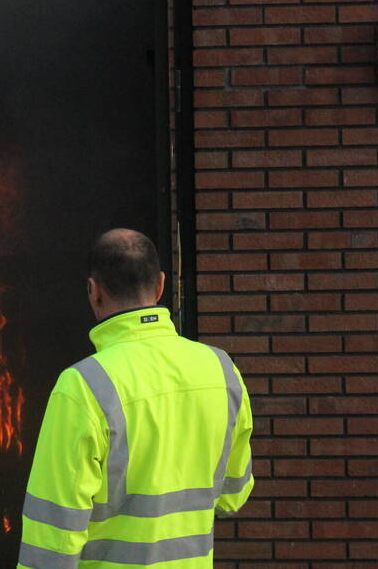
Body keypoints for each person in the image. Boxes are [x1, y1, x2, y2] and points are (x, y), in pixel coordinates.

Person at [18, 228, 253, 568]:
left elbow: (53, 534)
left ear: (93, 291)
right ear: (160, 286)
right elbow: (233, 494)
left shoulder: (83, 386)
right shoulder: (221, 370)